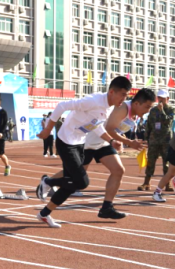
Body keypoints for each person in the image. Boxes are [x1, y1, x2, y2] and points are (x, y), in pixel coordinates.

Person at [36, 76, 134, 228]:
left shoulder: (108, 107)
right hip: (66, 141)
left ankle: (44, 213)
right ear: (112, 92)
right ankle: (48, 181)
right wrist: (48, 129)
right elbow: (62, 106)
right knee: (82, 182)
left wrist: (111, 141)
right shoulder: (93, 101)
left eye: (126, 95)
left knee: (70, 184)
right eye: (122, 94)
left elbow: (96, 125)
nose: (124, 99)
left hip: (79, 143)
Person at [47, 89, 155, 219]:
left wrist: (121, 140)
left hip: (103, 144)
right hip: (88, 143)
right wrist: (128, 142)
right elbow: (109, 128)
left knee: (118, 170)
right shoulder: (123, 108)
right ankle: (48, 183)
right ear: (137, 103)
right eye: (147, 106)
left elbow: (116, 128)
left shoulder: (134, 114)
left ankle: (106, 208)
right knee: (76, 174)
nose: (148, 110)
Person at [140, 89, 175, 192]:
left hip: (166, 140)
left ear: (167, 99)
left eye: (163, 98)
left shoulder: (171, 110)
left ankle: (167, 184)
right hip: (154, 139)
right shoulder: (153, 110)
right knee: (150, 161)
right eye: (159, 98)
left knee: (166, 163)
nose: (160, 100)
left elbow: (168, 122)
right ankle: (146, 183)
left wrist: (162, 111)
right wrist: (146, 138)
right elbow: (149, 124)